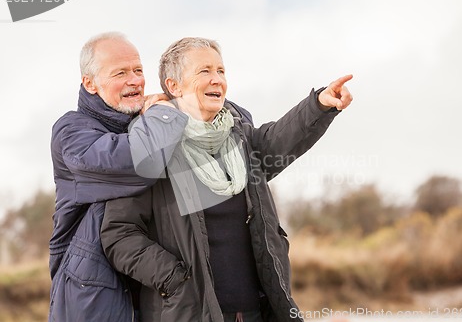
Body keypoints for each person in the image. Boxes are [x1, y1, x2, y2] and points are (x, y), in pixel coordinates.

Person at [101, 37, 353, 322]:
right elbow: (119, 234)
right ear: (174, 86)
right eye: (204, 71)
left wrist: (319, 105)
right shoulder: (150, 145)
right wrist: (174, 279)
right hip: (189, 313)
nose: (216, 79)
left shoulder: (240, 137)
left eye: (220, 71)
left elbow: (279, 140)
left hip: (255, 311)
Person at [49, 32, 188, 321]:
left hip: (153, 293)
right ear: (90, 83)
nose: (135, 80)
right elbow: (140, 161)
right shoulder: (71, 133)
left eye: (138, 70)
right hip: (91, 301)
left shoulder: (143, 124)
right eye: (120, 73)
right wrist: (164, 112)